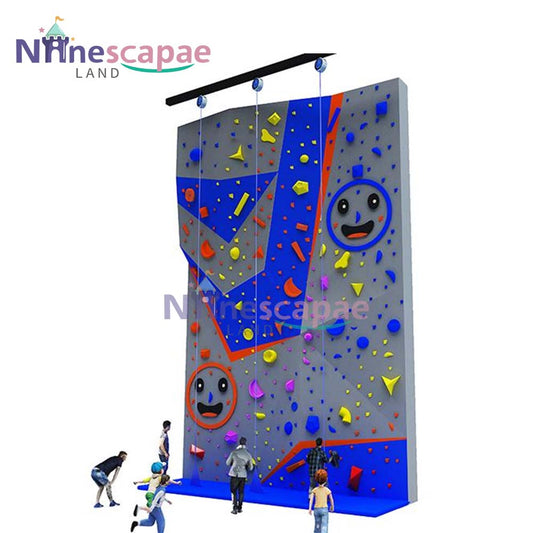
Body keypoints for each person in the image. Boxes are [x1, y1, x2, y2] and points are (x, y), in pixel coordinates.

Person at [225, 436, 254, 514]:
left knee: (233, 491)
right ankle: (240, 507)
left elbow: (227, 463)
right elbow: (251, 468)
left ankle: (234, 508)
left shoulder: (234, 452)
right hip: (243, 475)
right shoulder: (248, 454)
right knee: (241, 492)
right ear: (246, 443)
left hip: (234, 474)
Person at [308, 469, 334, 533]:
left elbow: (311, 500)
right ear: (326, 479)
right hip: (324, 509)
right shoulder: (327, 490)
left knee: (317, 525)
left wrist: (310, 508)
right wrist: (332, 507)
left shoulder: (314, 490)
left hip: (316, 509)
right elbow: (331, 499)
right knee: (324, 525)